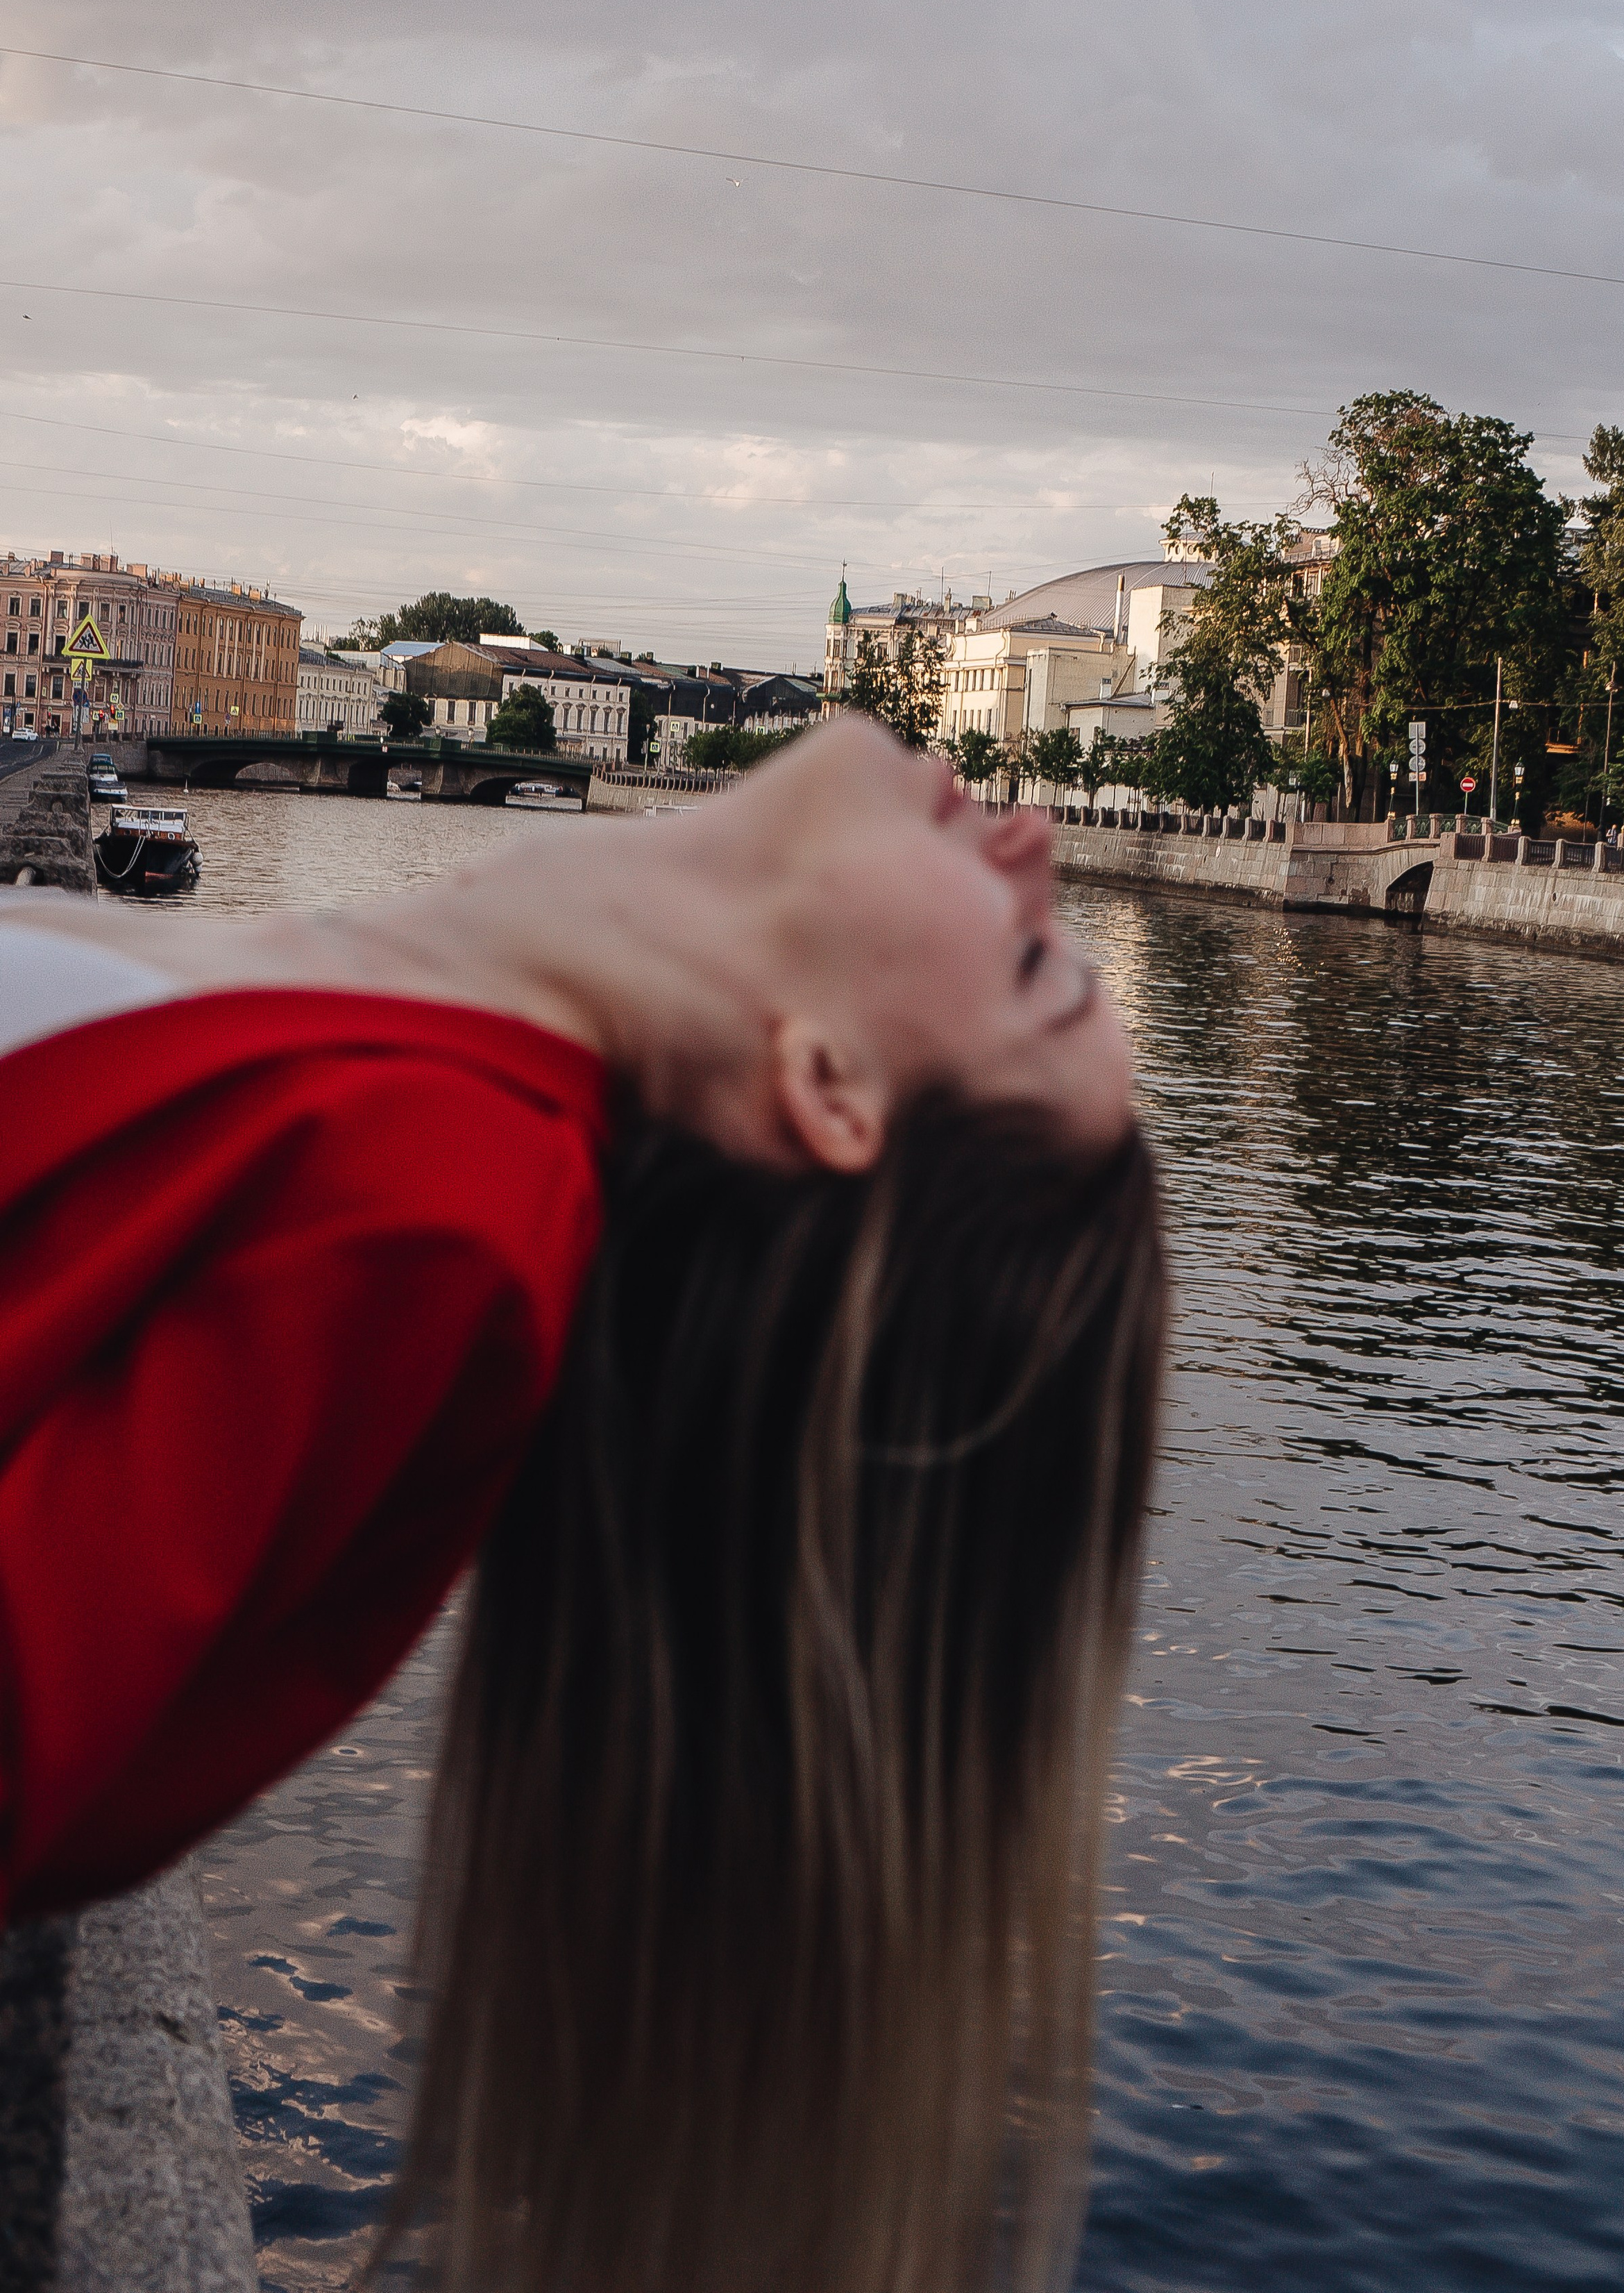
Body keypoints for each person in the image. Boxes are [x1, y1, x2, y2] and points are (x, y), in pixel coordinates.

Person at [0, 719, 1164, 2292]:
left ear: (824, 1079)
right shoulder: (395, 1069)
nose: (1034, 849)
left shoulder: (439, 1213)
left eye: (1032, 965)